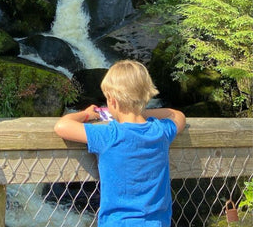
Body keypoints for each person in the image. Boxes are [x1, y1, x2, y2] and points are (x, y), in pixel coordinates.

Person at [54, 59, 186, 227]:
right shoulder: (160, 132)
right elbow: (177, 115)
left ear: (113, 101)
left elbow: (62, 126)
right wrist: (142, 112)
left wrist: (88, 115)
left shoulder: (109, 135)